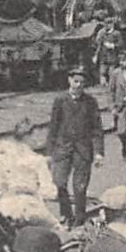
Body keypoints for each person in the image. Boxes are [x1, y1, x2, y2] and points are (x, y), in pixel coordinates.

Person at [48, 64, 104, 227]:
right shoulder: (60, 100)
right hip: (62, 148)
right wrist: (48, 152)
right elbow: (53, 126)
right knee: (59, 183)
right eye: (75, 81)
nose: (78, 85)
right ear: (69, 80)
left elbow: (97, 128)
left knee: (80, 187)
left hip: (83, 150)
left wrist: (99, 152)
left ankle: (79, 218)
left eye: (81, 82)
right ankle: (65, 213)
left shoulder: (90, 102)